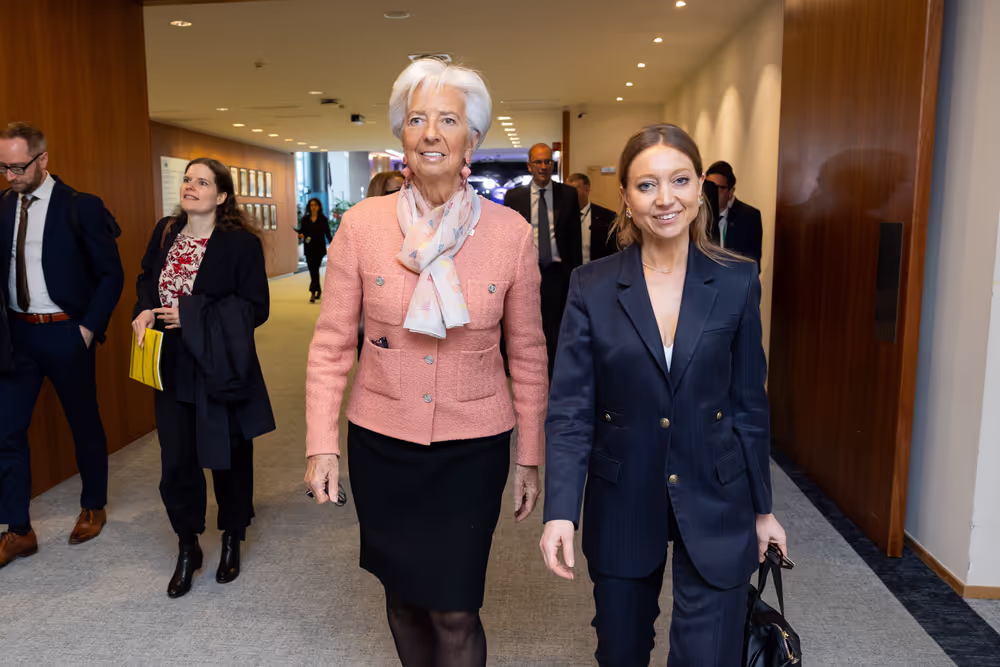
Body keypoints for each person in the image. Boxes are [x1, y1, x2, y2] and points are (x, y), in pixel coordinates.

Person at [305, 58, 547, 667]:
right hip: (383, 443)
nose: (431, 132)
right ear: (402, 137)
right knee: (405, 600)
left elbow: (528, 354)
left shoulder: (511, 234)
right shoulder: (361, 228)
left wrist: (531, 454)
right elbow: (333, 343)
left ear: (473, 138)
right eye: (417, 119)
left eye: (448, 119)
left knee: (456, 609)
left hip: (474, 446)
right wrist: (321, 444)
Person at [539, 124, 787, 666]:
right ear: (626, 198)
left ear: (700, 187)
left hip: (718, 490)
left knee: (707, 656)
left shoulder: (737, 280)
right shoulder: (591, 285)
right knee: (621, 651)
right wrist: (561, 509)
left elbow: (749, 403)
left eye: (679, 180)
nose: (665, 198)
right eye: (647, 185)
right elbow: (571, 411)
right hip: (623, 490)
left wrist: (764, 510)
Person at [132, 158, 275, 598]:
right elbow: (145, 278)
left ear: (222, 195)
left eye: (202, 181)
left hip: (217, 362)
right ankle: (187, 545)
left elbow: (256, 308)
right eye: (187, 180)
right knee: (176, 460)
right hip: (171, 363)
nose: (190, 186)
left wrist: (192, 313)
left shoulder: (239, 244)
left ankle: (232, 536)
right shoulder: (165, 231)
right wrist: (142, 308)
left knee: (227, 455)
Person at [0, 122, 124, 568]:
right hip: (18, 336)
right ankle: (18, 529)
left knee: (83, 422)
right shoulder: (2, 206)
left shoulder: (80, 207)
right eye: (3, 167)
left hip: (66, 332)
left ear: (43, 159)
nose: (11, 175)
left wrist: (88, 329)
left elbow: (112, 274)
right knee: (6, 430)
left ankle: (93, 504)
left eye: (18, 166)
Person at [503, 143, 582, 378]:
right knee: (527, 325)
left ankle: (555, 374)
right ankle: (529, 372)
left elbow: (574, 239)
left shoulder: (568, 195)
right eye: (538, 162)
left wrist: (575, 276)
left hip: (558, 272)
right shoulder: (514, 197)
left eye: (548, 161)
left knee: (557, 326)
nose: (544, 166)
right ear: (529, 166)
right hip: (526, 272)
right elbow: (509, 239)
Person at [705, 160, 763, 270]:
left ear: (731, 192)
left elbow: (753, 265)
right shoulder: (695, 216)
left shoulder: (749, 218)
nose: (712, 193)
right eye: (709, 188)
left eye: (718, 188)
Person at [566, 172, 618, 263]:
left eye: (574, 190)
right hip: (570, 274)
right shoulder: (562, 216)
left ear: (587, 189)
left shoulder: (607, 216)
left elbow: (614, 250)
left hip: (599, 271)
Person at [298, 198, 332, 303]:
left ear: (319, 207)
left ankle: (313, 292)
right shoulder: (305, 219)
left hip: (319, 249)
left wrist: (334, 245)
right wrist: (300, 235)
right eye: (311, 205)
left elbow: (328, 234)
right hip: (308, 248)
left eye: (315, 205)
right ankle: (317, 288)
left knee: (315, 269)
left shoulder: (323, 219)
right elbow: (301, 232)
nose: (313, 207)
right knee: (313, 270)